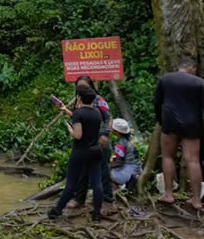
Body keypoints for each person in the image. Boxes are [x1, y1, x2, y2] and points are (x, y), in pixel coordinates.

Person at [155, 57, 204, 210]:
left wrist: (161, 121)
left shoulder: (164, 79)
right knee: (193, 161)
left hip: (169, 122)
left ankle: (169, 194)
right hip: (191, 124)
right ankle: (196, 200)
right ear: (191, 67)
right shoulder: (198, 82)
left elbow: (157, 103)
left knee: (167, 157)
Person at [49, 84, 104, 223]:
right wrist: (67, 111)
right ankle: (97, 215)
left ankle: (57, 211)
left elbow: (78, 135)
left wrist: (69, 128)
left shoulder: (79, 113)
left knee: (71, 183)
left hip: (80, 152)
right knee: (97, 183)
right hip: (95, 151)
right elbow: (86, 121)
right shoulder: (97, 112)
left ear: (79, 97)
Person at [63, 75, 115, 214]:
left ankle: (108, 201)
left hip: (99, 141)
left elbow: (108, 117)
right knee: (81, 171)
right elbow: (79, 118)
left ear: (91, 87)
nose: (81, 90)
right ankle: (79, 199)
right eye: (79, 88)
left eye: (84, 87)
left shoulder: (99, 100)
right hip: (84, 143)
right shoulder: (79, 102)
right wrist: (68, 113)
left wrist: (104, 134)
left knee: (102, 171)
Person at [109, 118, 141, 188]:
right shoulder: (130, 139)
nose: (110, 127)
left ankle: (117, 189)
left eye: (112, 127)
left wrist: (109, 165)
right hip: (137, 169)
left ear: (116, 131)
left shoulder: (120, 143)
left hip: (128, 172)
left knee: (105, 173)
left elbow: (119, 163)